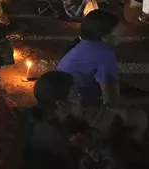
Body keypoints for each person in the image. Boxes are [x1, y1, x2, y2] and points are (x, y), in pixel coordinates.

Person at [58, 10, 148, 141]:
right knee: (141, 118)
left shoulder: (83, 44)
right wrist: (143, 101)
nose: (121, 35)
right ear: (105, 37)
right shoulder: (104, 55)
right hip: (76, 112)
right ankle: (121, 152)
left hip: (63, 103)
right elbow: (112, 102)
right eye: (118, 33)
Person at [21, 71, 98, 169]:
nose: (80, 99)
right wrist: (80, 150)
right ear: (60, 104)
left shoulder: (49, 117)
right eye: (75, 96)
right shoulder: (51, 136)